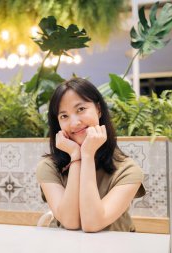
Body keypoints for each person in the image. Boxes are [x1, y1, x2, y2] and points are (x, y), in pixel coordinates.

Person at [36, 77, 146, 232]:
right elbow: (70, 222)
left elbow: (92, 224)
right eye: (64, 116)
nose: (74, 123)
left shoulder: (128, 170)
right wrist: (76, 157)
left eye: (80, 109)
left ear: (99, 109)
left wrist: (87, 156)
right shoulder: (49, 167)